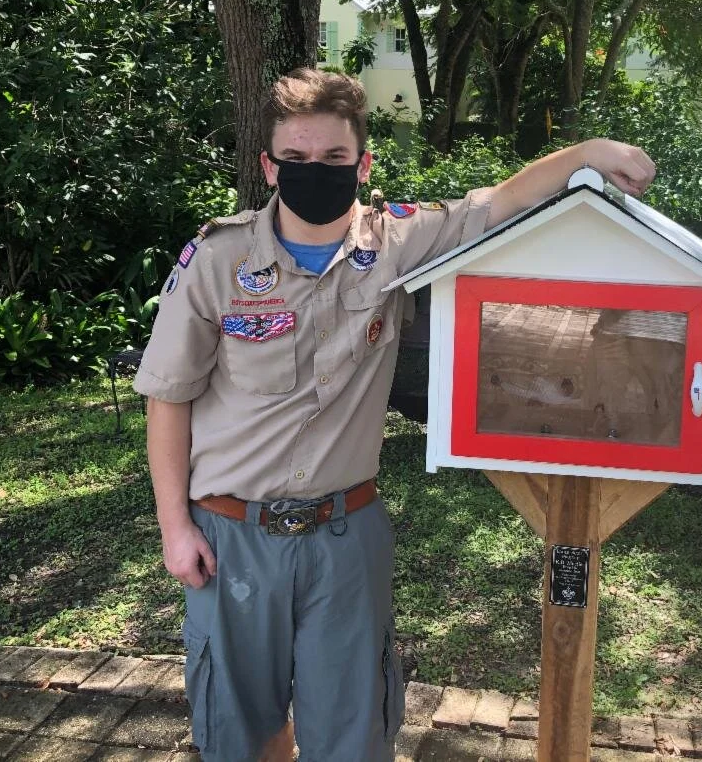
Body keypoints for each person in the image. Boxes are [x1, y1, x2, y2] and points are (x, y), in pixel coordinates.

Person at [134, 67, 654, 762]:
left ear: (362, 163)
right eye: (295, 159)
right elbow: (168, 396)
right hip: (232, 537)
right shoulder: (217, 259)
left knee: (352, 737)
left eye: (333, 159)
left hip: (345, 536)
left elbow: (494, 205)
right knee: (240, 734)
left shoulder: (395, 242)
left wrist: (585, 153)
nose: (313, 171)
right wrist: (174, 527)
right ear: (269, 166)